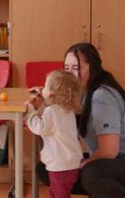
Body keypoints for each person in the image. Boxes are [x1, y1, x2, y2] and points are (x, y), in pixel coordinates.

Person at [33, 42, 125, 197]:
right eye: (67, 68)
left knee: (91, 173)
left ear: (93, 68)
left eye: (76, 68)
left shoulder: (102, 96)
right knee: (49, 168)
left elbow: (109, 151)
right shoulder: (82, 94)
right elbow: (59, 125)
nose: (70, 74)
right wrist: (46, 99)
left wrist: (85, 164)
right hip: (117, 162)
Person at [26, 70, 83, 198]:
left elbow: (40, 128)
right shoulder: (67, 110)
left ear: (52, 93)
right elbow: (51, 123)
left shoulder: (52, 111)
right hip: (71, 163)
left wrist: (30, 112)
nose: (42, 88)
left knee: (59, 194)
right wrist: (41, 104)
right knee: (57, 192)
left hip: (60, 166)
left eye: (45, 86)